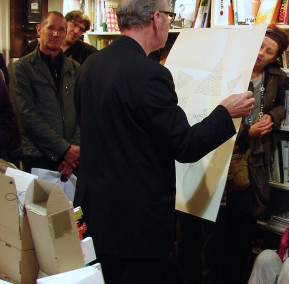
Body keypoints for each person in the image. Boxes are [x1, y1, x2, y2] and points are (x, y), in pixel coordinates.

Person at [73, 0, 255, 283]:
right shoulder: (150, 73)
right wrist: (225, 113)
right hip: (135, 222)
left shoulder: (92, 63)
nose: (170, 25)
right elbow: (185, 145)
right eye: (170, 17)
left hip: (96, 211)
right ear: (156, 18)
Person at [224, 24, 289, 284]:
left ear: (275, 57)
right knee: (223, 227)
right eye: (260, 45)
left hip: (257, 159)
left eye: (268, 50)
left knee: (245, 225)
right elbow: (216, 115)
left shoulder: (277, 77)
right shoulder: (232, 71)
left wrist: (272, 118)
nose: (261, 53)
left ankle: (238, 274)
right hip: (227, 154)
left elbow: (283, 106)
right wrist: (246, 133)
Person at [9, 11, 80, 180]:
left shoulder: (74, 68)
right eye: (51, 28)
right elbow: (28, 117)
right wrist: (64, 150)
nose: (56, 34)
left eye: (61, 29)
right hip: (38, 157)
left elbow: (82, 111)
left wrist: (74, 151)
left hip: (71, 161)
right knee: (39, 206)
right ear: (39, 29)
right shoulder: (22, 68)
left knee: (71, 207)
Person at [21, 10, 97, 65]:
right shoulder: (34, 46)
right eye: (74, 25)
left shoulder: (87, 51)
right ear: (64, 23)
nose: (77, 31)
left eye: (81, 29)